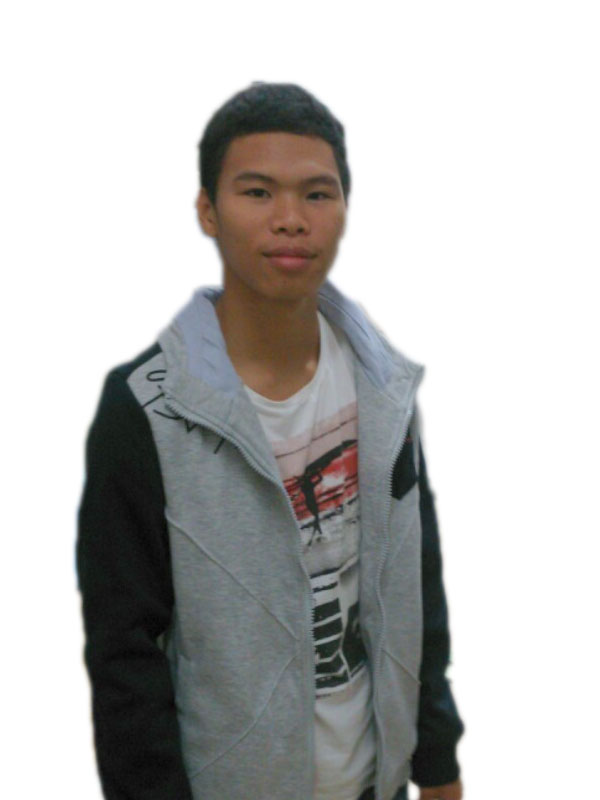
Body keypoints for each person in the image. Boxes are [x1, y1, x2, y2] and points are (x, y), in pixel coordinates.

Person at [77, 81, 464, 800]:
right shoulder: (145, 412)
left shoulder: (383, 384)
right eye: (257, 192)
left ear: (344, 209)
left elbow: (416, 576)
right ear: (208, 210)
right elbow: (125, 654)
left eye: (317, 194)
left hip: (373, 781)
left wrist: (436, 755)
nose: (291, 219)